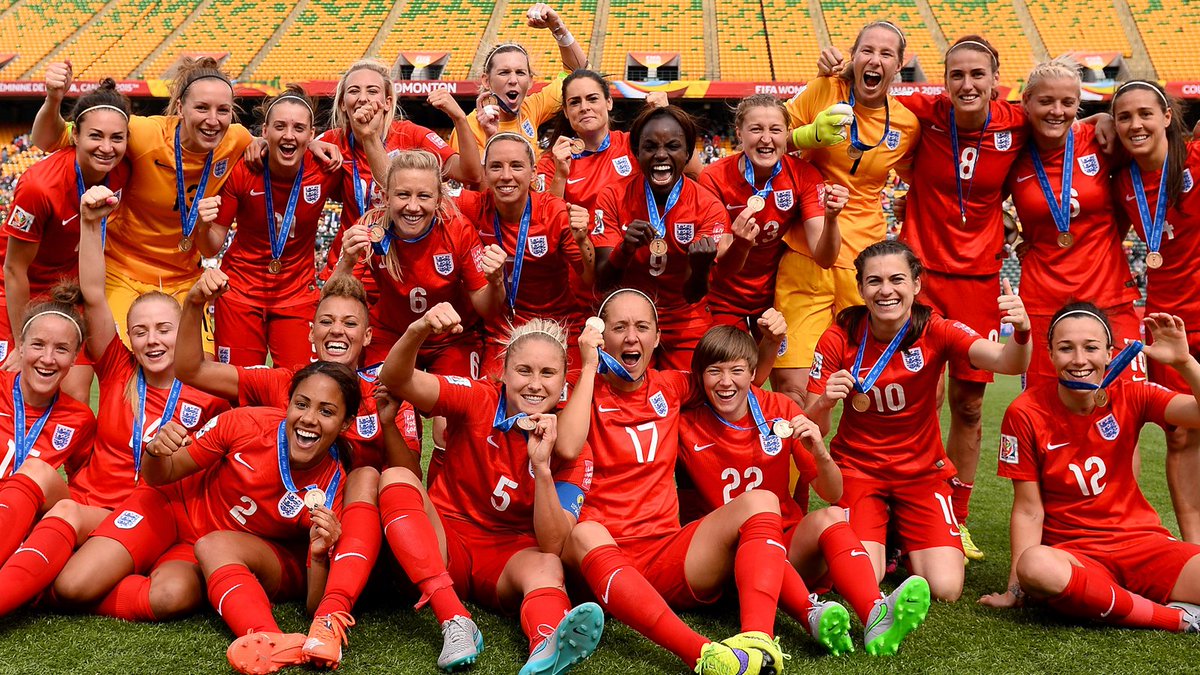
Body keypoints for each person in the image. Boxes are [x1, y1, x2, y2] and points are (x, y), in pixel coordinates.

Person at [0, 182, 229, 617]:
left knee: (139, 593)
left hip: (152, 509)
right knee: (43, 482)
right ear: (129, 338)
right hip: (89, 503)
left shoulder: (209, 386)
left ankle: (39, 576)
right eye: (140, 331)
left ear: (183, 329)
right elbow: (93, 293)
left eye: (164, 328)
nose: (152, 340)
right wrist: (90, 223)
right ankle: (35, 572)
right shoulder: (119, 368)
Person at [176, 270, 420, 669]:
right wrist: (194, 303)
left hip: (363, 545)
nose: (336, 330)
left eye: (349, 323)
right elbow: (191, 370)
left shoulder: (385, 392)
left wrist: (390, 422)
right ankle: (273, 640)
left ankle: (331, 615)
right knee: (212, 545)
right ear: (311, 333)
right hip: (297, 543)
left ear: (368, 336)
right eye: (326, 321)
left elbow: (410, 478)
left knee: (367, 475)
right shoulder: (288, 382)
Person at [54, 363, 357, 675]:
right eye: (301, 404)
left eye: (326, 411)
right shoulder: (246, 423)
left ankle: (268, 640)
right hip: (175, 509)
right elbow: (163, 474)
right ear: (288, 403)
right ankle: (41, 584)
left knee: (170, 595)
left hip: (226, 549)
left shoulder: (336, 485)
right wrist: (156, 452)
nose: (309, 419)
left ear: (345, 423)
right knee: (72, 586)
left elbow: (314, 605)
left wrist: (320, 556)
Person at [562, 288, 792, 675]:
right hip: (601, 559)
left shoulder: (672, 386)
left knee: (762, 500)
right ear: (601, 337)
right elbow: (568, 446)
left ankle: (758, 641)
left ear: (657, 337)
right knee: (586, 532)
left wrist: (769, 342)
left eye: (641, 327)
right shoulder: (577, 383)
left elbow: (735, 382)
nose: (631, 337)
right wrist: (587, 367)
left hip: (667, 552)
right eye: (619, 327)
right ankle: (701, 654)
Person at [375, 304, 604, 673]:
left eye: (548, 373)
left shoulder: (569, 445)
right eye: (524, 370)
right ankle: (454, 619)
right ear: (503, 373)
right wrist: (419, 328)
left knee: (547, 564)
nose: (535, 383)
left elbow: (553, 544)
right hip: (448, 541)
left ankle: (546, 642)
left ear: (564, 384)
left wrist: (542, 469)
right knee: (395, 478)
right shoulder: (479, 398)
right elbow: (398, 378)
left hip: (509, 557)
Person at [679, 325, 931, 656]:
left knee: (831, 515)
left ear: (753, 372)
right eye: (715, 371)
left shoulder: (779, 408)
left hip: (786, 546)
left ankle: (875, 612)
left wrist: (820, 452)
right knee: (756, 536)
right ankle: (809, 612)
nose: (726, 382)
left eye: (737, 370)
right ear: (699, 376)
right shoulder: (685, 421)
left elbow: (832, 491)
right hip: (724, 557)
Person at [805, 240, 1031, 601]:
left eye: (897, 279)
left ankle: (899, 538)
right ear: (861, 288)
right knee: (863, 576)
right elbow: (814, 431)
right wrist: (823, 402)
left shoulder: (935, 330)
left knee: (945, 588)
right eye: (874, 282)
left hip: (922, 473)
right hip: (860, 469)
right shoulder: (839, 336)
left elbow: (1010, 363)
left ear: (916, 284)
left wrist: (1021, 332)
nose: (886, 291)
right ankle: (885, 537)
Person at [889, 36, 1029, 560]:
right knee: (911, 397)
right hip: (920, 278)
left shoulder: (1017, 123)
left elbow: (1067, 128)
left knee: (968, 406)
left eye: (977, 74)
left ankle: (958, 517)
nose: (967, 84)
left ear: (996, 78)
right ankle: (904, 512)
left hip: (977, 283)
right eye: (956, 75)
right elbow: (864, 95)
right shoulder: (922, 112)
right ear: (943, 80)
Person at [980, 305, 1200, 635]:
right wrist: (1016, 586)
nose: (1079, 359)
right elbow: (1028, 509)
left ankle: (1116, 600)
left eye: (1091, 347)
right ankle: (1176, 618)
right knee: (1035, 566)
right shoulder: (1024, 411)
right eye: (1066, 348)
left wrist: (1185, 363)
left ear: (1110, 353)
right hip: (1075, 556)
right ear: (1051, 355)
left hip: (1143, 545)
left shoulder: (1132, 394)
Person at [772, 20, 920, 405]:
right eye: (867, 50)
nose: (875, 59)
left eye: (886, 53)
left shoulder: (906, 125)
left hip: (865, 266)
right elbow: (769, 137)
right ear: (853, 57)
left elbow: (922, 177)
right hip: (808, 253)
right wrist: (807, 136)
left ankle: (860, 465)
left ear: (899, 65)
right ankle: (801, 467)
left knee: (872, 391)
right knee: (792, 388)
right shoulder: (822, 89)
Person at [1007, 59, 1141, 384]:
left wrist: (1107, 117)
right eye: (1046, 101)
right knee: (1044, 408)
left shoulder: (1101, 141)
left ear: (1078, 105)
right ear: (1026, 102)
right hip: (1042, 298)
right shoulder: (1011, 151)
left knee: (1123, 406)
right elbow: (975, 196)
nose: (1057, 111)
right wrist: (1008, 230)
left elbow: (1142, 176)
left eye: (1068, 102)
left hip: (1108, 292)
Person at [1, 79, 132, 401]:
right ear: (74, 135)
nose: (107, 147)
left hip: (71, 294)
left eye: (117, 138)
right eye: (95, 136)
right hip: (16, 294)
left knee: (74, 397)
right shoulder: (39, 187)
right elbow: (15, 270)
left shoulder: (124, 168)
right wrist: (22, 342)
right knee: (15, 392)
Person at [1110, 79, 1200, 543]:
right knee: (1182, 435)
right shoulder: (1122, 179)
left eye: (1145, 113)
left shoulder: (1198, 158)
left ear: (1168, 116)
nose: (1135, 124)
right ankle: (1194, 548)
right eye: (1123, 116)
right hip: (1169, 324)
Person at [207, 86, 344, 368]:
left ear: (311, 133)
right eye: (280, 126)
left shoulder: (325, 168)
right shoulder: (244, 168)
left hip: (296, 297)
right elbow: (212, 243)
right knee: (238, 386)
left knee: (302, 386)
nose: (289, 135)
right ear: (265, 131)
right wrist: (200, 223)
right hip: (240, 295)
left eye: (298, 128)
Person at [337, 150, 507, 372]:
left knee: (452, 405)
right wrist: (346, 263)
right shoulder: (371, 229)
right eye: (403, 195)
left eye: (424, 196)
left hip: (452, 339)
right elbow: (333, 300)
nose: (413, 207)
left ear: (438, 200)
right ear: (386, 197)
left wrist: (496, 282)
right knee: (380, 403)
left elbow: (488, 309)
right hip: (392, 336)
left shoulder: (458, 230)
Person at [315, 58, 483, 281]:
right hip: (351, 259)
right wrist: (306, 143)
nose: (363, 98)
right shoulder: (331, 141)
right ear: (343, 104)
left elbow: (470, 174)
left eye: (372, 91)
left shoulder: (411, 135)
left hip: (399, 265)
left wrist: (460, 118)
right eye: (354, 91)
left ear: (387, 102)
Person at [592, 106, 729, 369]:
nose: (661, 155)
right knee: (623, 401)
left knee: (689, 401)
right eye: (650, 147)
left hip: (684, 322)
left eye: (673, 146)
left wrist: (701, 268)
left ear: (688, 153)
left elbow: (694, 294)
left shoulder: (709, 207)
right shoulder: (612, 197)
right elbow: (603, 281)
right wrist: (625, 249)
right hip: (628, 321)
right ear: (636, 153)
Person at [699, 93, 848, 332]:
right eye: (756, 129)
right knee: (730, 366)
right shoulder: (713, 178)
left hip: (775, 299)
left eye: (776, 130)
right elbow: (723, 267)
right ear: (739, 133)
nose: (766, 139)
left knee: (776, 369)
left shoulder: (804, 175)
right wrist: (741, 244)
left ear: (787, 133)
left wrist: (831, 219)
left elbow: (824, 258)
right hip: (722, 299)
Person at [456, 132, 591, 374]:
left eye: (516, 166)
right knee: (495, 402)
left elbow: (590, 278)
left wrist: (583, 241)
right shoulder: (472, 207)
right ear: (485, 173)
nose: (506, 176)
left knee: (568, 405)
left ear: (533, 173)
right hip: (502, 329)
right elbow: (427, 195)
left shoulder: (554, 211)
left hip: (558, 325)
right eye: (496, 167)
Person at [0, 288, 96, 569]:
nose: (48, 358)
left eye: (62, 349)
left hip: (27, 517)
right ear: (20, 346)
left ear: (76, 357)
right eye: (38, 345)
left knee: (38, 473)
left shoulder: (79, 419)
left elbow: (81, 493)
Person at [452, 3, 589, 154]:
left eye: (520, 73)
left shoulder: (531, 108)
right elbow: (477, 176)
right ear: (486, 81)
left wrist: (558, 28)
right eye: (504, 72)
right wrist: (491, 135)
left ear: (530, 81)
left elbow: (578, 75)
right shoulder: (468, 127)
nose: (513, 80)